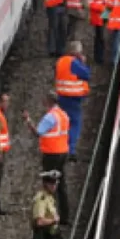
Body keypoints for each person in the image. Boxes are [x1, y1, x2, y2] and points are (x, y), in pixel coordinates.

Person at [22, 91, 71, 225]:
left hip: (51, 154)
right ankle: (65, 216)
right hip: (63, 152)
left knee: (49, 184)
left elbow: (38, 133)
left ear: (49, 101)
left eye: (44, 99)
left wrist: (28, 120)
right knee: (61, 184)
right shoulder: (64, 115)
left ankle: (49, 214)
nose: (43, 101)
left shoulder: (50, 117)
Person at [54, 41, 91, 161]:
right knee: (75, 124)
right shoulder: (74, 62)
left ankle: (60, 148)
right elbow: (87, 74)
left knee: (63, 123)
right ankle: (71, 150)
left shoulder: (60, 61)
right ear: (77, 52)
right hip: (73, 98)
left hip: (61, 96)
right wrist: (83, 62)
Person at [88, 0, 112, 64]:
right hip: (98, 14)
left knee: (102, 36)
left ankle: (100, 56)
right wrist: (102, 8)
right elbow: (90, 3)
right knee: (100, 36)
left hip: (106, 13)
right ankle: (98, 57)